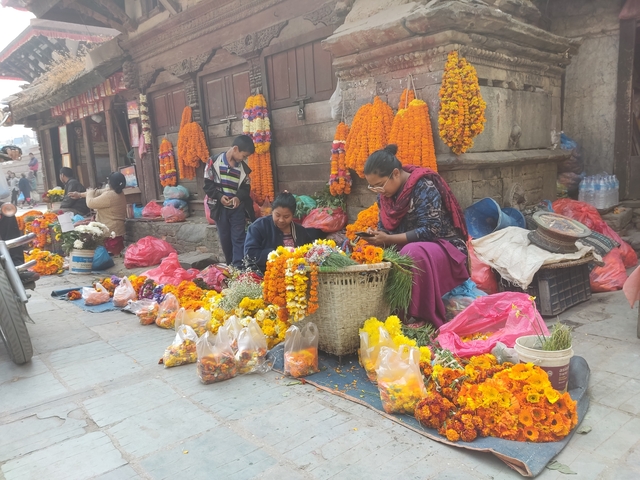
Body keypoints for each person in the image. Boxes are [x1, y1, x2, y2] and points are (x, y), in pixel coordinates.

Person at [363, 144, 470, 328]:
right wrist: (377, 236)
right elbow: (385, 228)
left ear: (395, 173)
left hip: (443, 246)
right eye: (373, 188)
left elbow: (431, 230)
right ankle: (388, 315)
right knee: (365, 253)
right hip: (405, 246)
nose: (379, 192)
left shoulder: (423, 186)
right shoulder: (385, 197)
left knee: (413, 252)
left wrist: (388, 239)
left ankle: (424, 317)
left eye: (380, 185)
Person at [203, 134, 256, 268]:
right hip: (219, 209)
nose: (244, 159)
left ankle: (238, 268)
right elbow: (207, 185)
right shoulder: (213, 162)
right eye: (244, 156)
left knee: (239, 238)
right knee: (225, 238)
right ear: (235, 149)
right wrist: (220, 197)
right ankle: (230, 266)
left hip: (237, 209)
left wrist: (238, 197)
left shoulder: (243, 169)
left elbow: (245, 188)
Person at [244, 192, 315, 272]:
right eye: (277, 215)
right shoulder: (259, 227)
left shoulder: (300, 231)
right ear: (272, 211)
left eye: (286, 217)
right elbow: (250, 253)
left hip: (297, 277)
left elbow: (309, 253)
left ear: (293, 215)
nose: (281, 220)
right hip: (266, 275)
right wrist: (277, 254)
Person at [69, 172, 127, 255]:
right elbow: (98, 192)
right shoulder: (117, 192)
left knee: (110, 255)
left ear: (110, 183)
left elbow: (90, 203)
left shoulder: (110, 195)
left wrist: (89, 192)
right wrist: (80, 195)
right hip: (116, 229)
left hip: (111, 231)